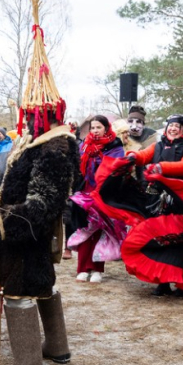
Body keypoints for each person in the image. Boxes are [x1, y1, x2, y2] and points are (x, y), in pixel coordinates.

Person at [0, 0, 80, 365]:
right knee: (44, 286)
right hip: (27, 234)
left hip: (24, 234)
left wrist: (3, 219)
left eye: (33, 115)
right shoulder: (40, 141)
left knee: (20, 291)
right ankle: (56, 346)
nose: (28, 121)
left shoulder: (55, 145)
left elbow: (42, 201)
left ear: (46, 114)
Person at [123, 114, 183, 296]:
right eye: (170, 126)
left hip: (181, 201)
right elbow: (144, 156)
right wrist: (132, 157)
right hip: (159, 200)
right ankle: (162, 280)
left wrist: (162, 168)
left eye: (177, 126)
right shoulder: (158, 144)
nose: (172, 129)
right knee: (159, 238)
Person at [68, 115, 125, 283]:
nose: (94, 131)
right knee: (85, 230)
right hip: (85, 193)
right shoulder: (85, 145)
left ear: (106, 128)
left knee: (101, 231)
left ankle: (97, 269)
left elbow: (116, 167)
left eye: (98, 127)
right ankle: (82, 268)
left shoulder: (115, 145)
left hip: (104, 194)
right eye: (92, 128)